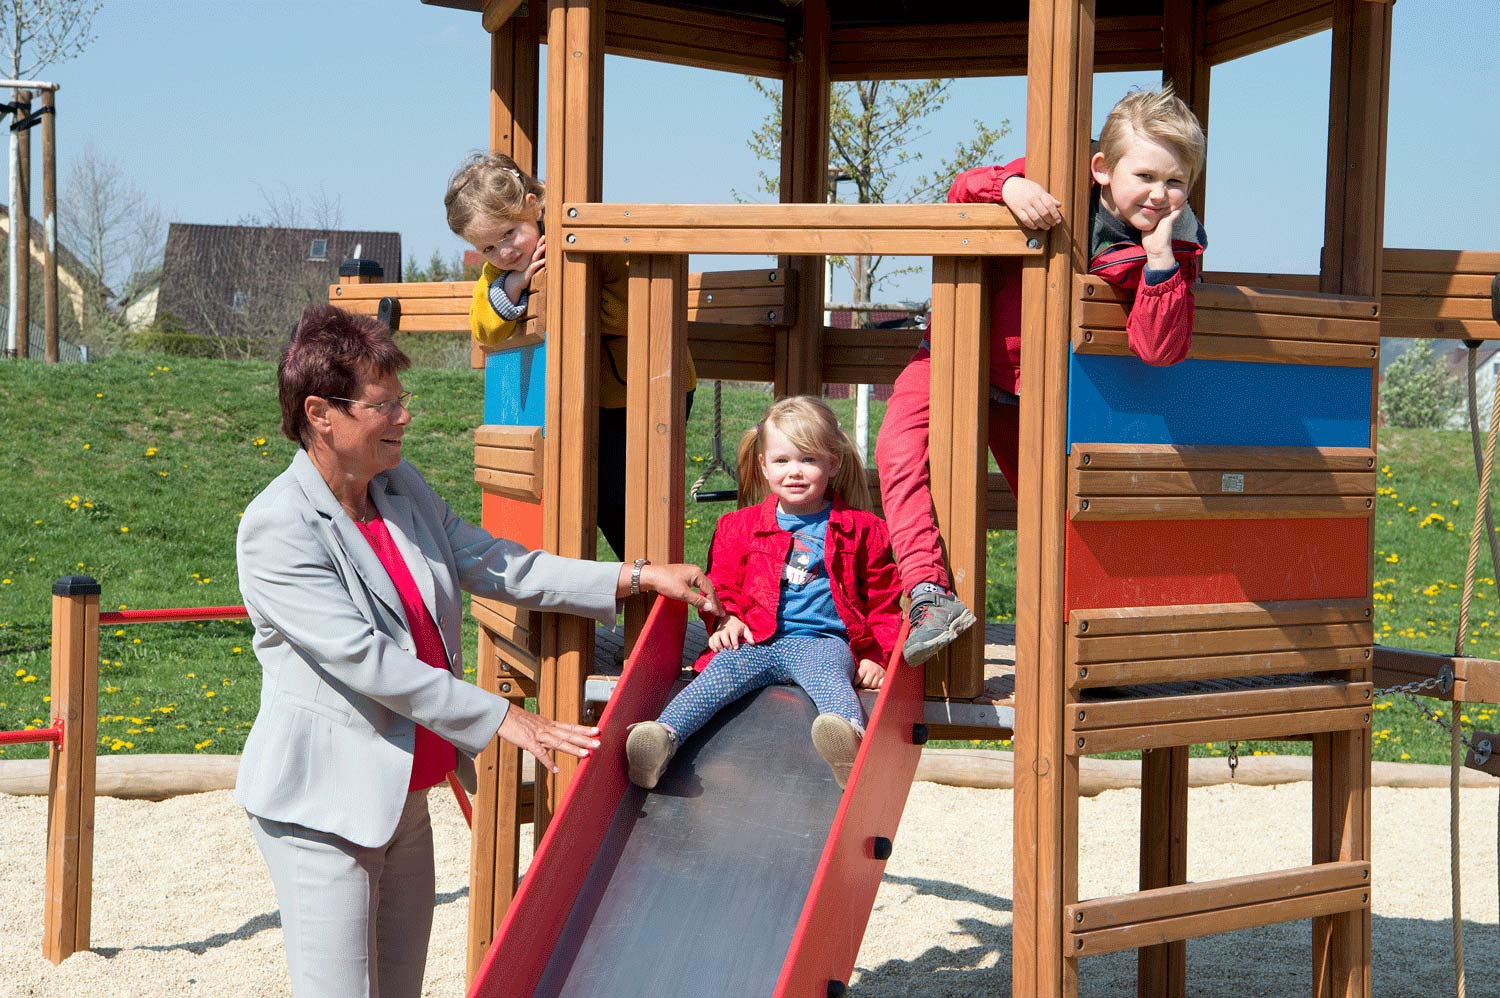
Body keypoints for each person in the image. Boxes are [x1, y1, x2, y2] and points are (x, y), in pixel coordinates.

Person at [236, 303, 720, 998]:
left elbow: (499, 564)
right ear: (320, 413)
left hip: (402, 790)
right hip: (321, 805)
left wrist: (633, 575)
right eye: (384, 404)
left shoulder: (397, 490)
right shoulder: (278, 526)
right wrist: (500, 717)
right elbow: (367, 660)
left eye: (402, 400)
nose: (404, 417)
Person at [875, 85, 1207, 664]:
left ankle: (1088, 634)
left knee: (1056, 507)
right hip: (956, 355)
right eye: (1146, 175)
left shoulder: (1176, 245)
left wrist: (1159, 262)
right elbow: (962, 187)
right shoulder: (1053, 176)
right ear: (1102, 168)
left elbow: (1158, 348)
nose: (1159, 194)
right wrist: (1009, 187)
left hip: (1038, 392)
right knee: (897, 450)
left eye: (1175, 182)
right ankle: (927, 592)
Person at [626, 396, 903, 791]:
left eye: (808, 459)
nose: (794, 472)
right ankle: (659, 739)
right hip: (756, 638)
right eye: (782, 460)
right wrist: (725, 618)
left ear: (833, 463)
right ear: (763, 465)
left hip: (822, 642)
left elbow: (883, 599)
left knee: (832, 682)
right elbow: (722, 583)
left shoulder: (863, 528)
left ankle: (847, 744)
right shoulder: (737, 527)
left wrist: (876, 654)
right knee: (717, 675)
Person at [443, 151, 697, 560]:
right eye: (488, 247)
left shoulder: (590, 241)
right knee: (593, 495)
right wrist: (517, 286)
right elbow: (484, 326)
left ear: (531, 205)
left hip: (650, 382)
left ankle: (653, 575)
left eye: (508, 234)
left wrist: (565, 290)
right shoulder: (505, 269)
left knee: (631, 494)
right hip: (595, 399)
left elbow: (633, 311)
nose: (504, 252)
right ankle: (642, 574)